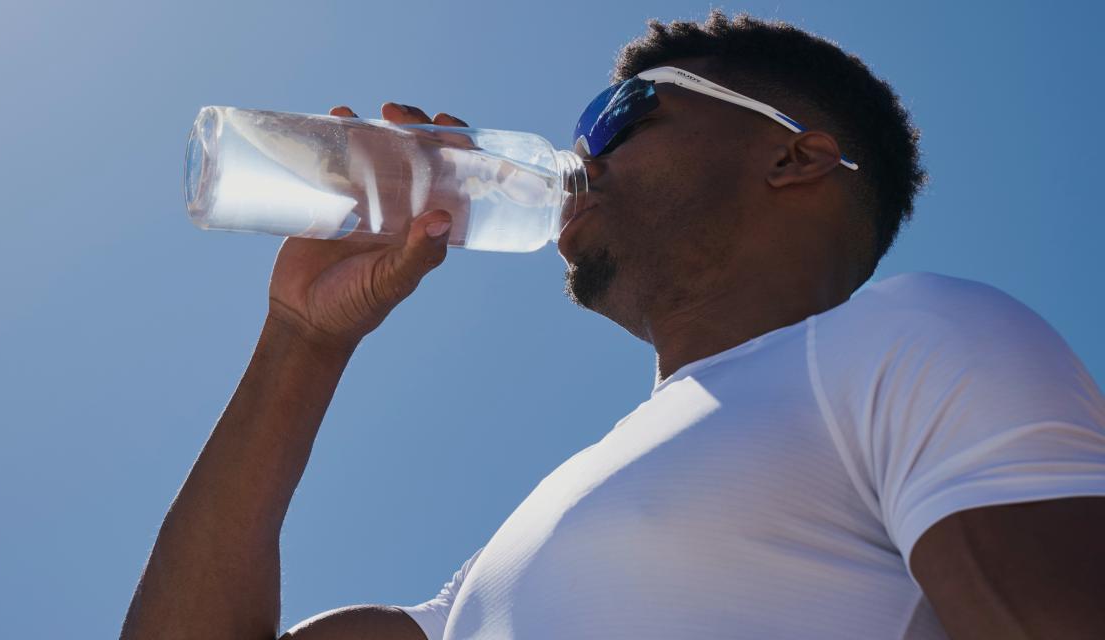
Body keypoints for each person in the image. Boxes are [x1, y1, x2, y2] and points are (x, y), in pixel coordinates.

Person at [121, 11, 1105, 640]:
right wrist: (301, 342)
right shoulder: (501, 563)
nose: (581, 154)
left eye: (620, 114)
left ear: (793, 159)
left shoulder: (912, 338)